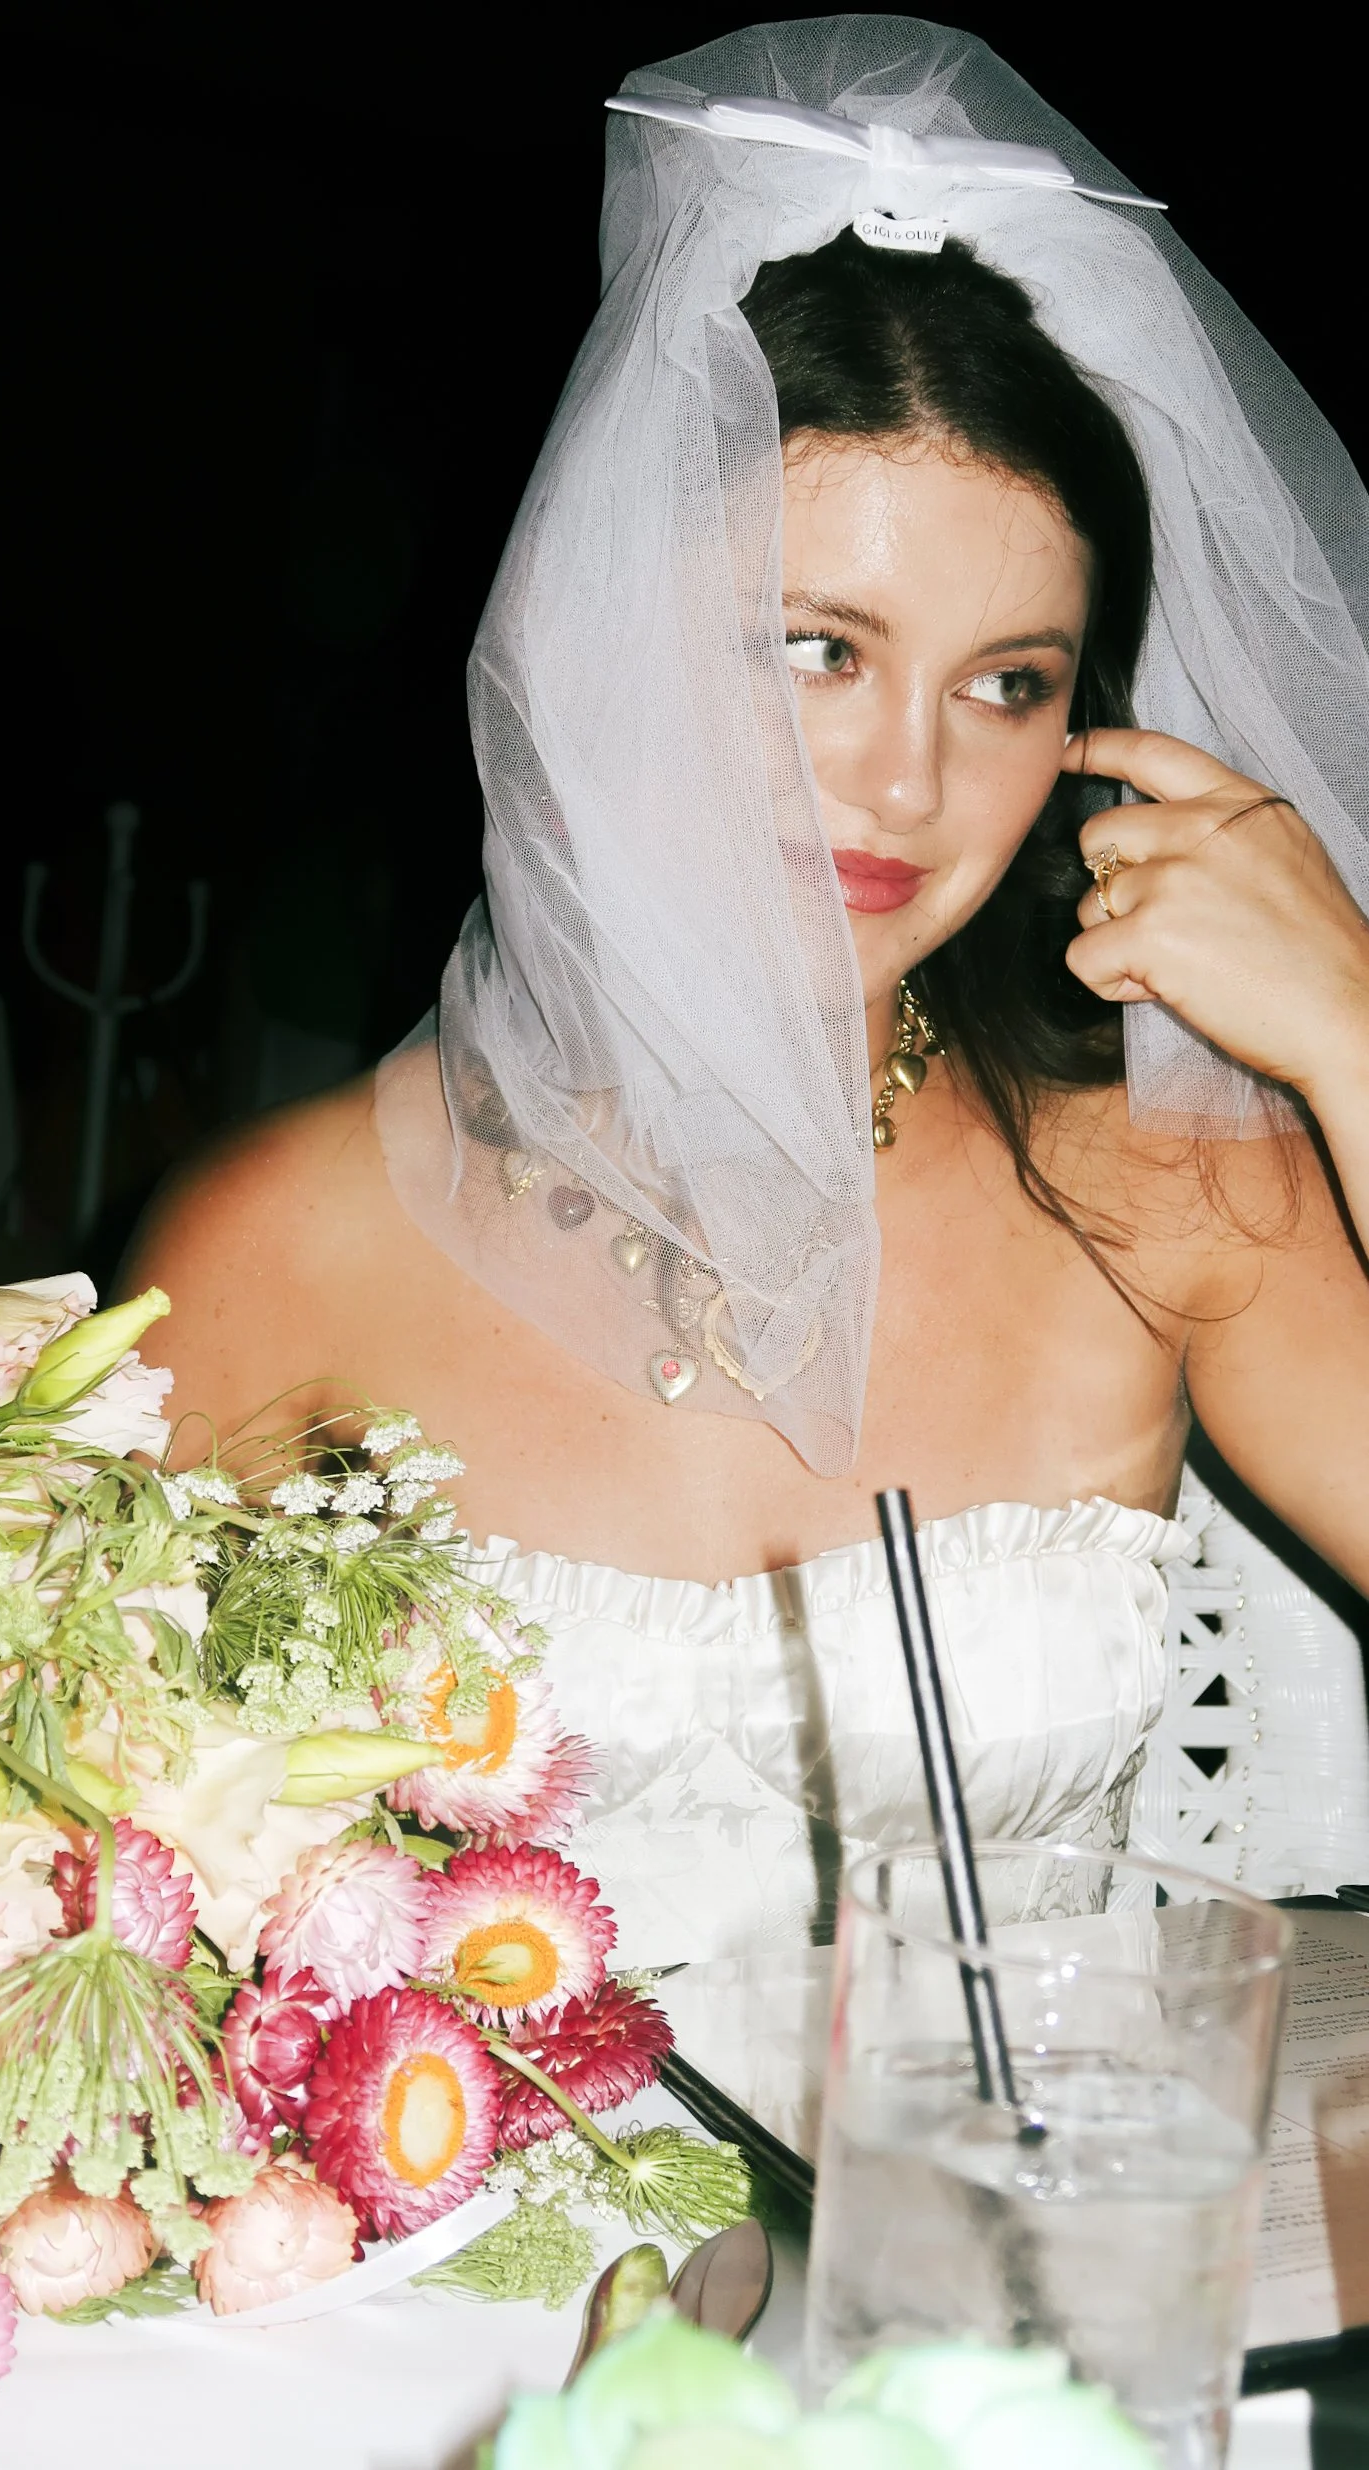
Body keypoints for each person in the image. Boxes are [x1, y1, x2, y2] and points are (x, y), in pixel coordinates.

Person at [129, 20, 1369, 1962]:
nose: (903, 780)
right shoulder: (277, 1245)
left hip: (1018, 2250)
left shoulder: (1160, 1190)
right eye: (814, 646)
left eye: (1005, 682)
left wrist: (1358, 1041)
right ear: (600, 628)